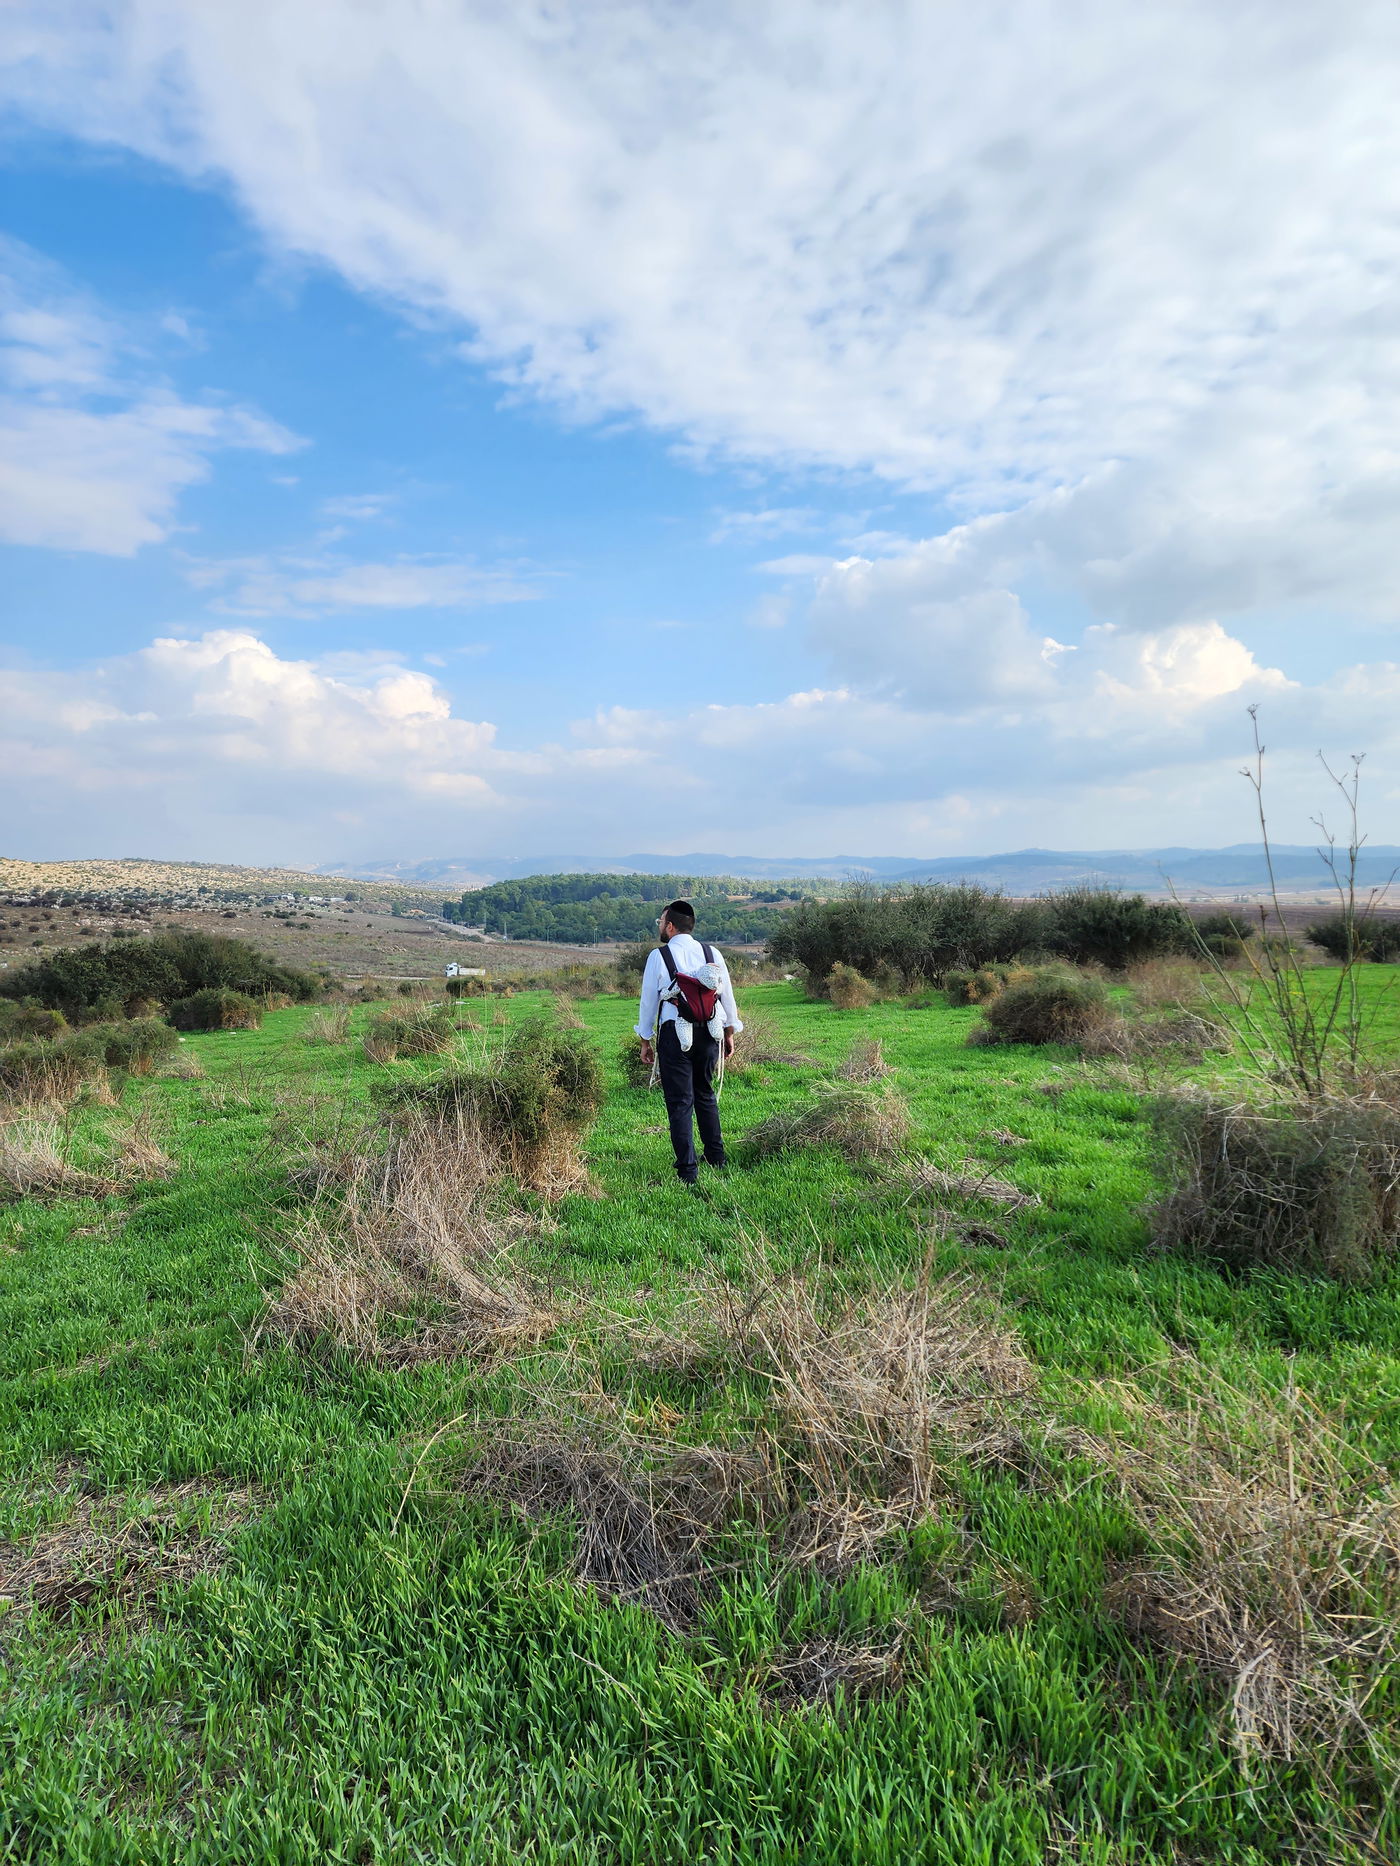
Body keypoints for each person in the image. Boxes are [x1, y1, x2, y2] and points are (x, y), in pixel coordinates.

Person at [636, 899, 743, 1185]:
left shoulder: (658, 957)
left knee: (680, 1101)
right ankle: (716, 1157)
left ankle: (687, 1170)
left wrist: (645, 1040)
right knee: (705, 1093)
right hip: (710, 1030)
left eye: (661, 922)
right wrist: (729, 1032)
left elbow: (648, 1002)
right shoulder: (712, 953)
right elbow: (726, 996)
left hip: (674, 1032)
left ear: (670, 926)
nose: (660, 926)